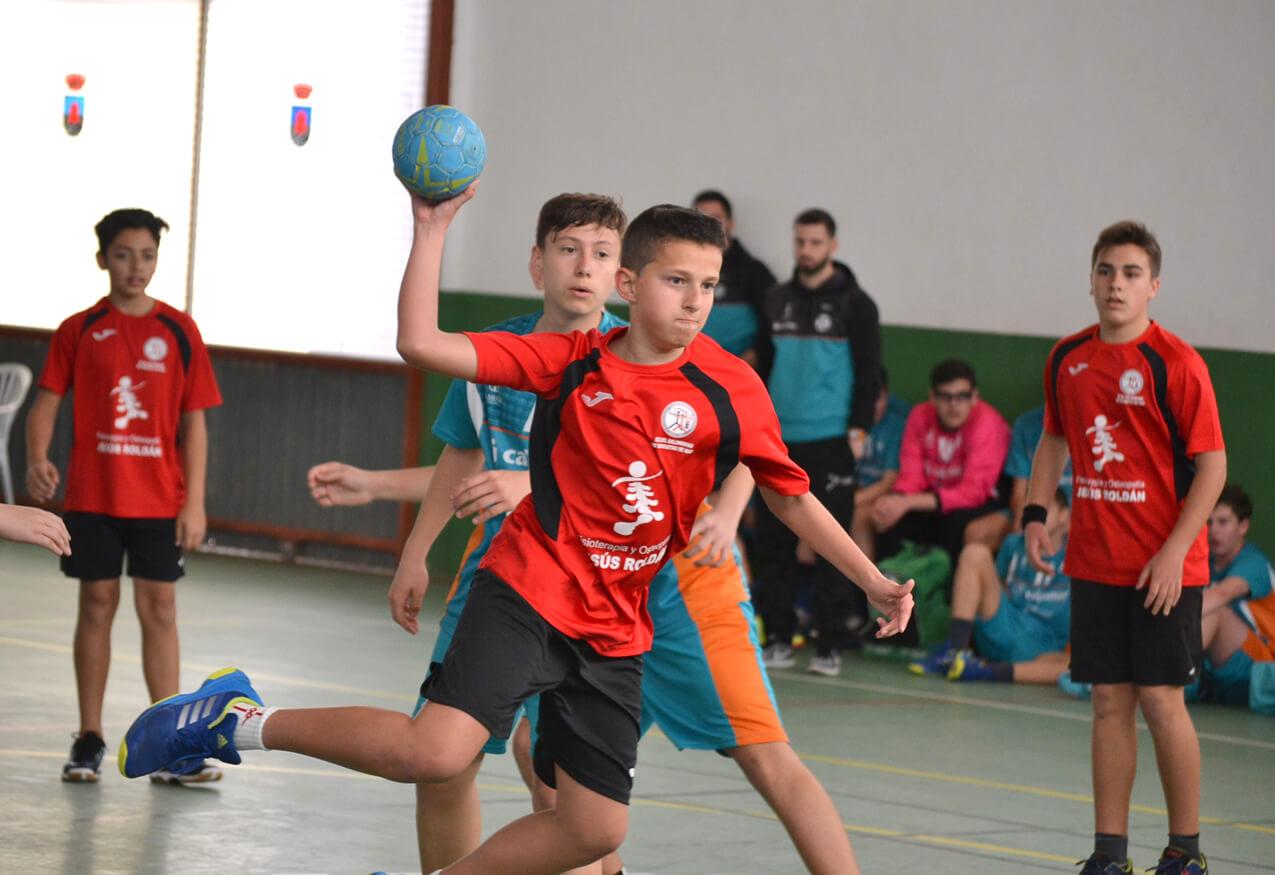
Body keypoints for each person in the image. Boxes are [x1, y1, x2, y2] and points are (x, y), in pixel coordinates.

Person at [118, 194, 913, 875]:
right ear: (629, 285)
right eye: (677, 281)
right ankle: (236, 718)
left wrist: (869, 579)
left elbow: (788, 497)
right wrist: (431, 229)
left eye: (708, 285)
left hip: (617, 622)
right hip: (531, 590)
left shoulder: (729, 383)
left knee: (594, 827)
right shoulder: (568, 359)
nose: (695, 301)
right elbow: (421, 344)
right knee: (434, 752)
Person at [1024, 221, 1225, 875]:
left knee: (1162, 701)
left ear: (1153, 286)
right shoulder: (1067, 358)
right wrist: (1036, 513)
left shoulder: (1176, 363)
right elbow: (1054, 439)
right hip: (1095, 560)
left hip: (1164, 567)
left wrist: (1174, 553)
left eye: (1131, 273)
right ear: (1091, 279)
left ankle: (1185, 851)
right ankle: (1108, 853)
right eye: (1106, 271)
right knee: (1108, 702)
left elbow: (1213, 467)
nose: (1116, 284)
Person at [25, 208, 223, 784]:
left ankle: (170, 743)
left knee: (160, 610)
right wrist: (37, 458)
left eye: (147, 255)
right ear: (102, 259)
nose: (136, 266)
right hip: (94, 498)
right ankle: (88, 737)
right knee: (96, 604)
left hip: (160, 500)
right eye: (123, 255)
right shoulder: (79, 329)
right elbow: (46, 402)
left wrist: (194, 501)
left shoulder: (180, 331)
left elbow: (195, 423)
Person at [753, 208, 883, 676]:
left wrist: (858, 429)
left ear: (833, 245)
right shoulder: (775, 299)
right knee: (773, 542)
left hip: (831, 440)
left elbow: (869, 373)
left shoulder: (857, 304)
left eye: (815, 242)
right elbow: (763, 366)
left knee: (832, 542)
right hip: (777, 438)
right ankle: (779, 637)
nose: (806, 250)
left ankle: (830, 643)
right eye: (800, 241)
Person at [909, 488, 1071, 683]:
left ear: (1064, 515)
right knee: (975, 552)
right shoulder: (1013, 544)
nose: (1034, 515)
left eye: (1044, 509)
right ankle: (954, 651)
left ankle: (984, 671)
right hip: (1005, 626)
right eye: (1030, 508)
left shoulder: (1077, 557)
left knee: (1076, 667)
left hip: (1042, 648)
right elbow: (998, 586)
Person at [873, 359, 1011, 563]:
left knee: (955, 527)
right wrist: (895, 502)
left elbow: (973, 492)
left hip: (980, 501)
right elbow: (911, 477)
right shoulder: (920, 416)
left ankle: (942, 584)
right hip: (933, 497)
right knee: (887, 519)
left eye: (962, 396)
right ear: (932, 397)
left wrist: (907, 502)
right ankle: (888, 581)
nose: (953, 405)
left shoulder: (987, 423)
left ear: (975, 397)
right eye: (945, 396)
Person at [1197, 484, 1274, 707]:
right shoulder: (1203, 563)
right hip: (1217, 671)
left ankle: (1163, 677)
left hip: (1262, 664)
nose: (1214, 530)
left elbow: (1222, 594)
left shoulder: (1254, 563)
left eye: (1223, 522)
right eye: (1209, 522)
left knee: (1216, 613)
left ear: (1243, 526)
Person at [690, 189, 776, 368]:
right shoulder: (681, 270)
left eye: (716, 218)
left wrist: (744, 364)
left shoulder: (755, 272)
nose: (708, 225)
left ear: (730, 223)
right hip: (689, 370)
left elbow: (772, 328)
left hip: (739, 372)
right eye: (701, 218)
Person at [850, 369, 911, 562]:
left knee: (857, 516)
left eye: (879, 398)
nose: (873, 406)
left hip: (885, 495)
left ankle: (864, 582)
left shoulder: (897, 423)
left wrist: (849, 500)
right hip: (854, 489)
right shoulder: (846, 419)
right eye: (866, 400)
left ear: (887, 394)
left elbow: (889, 482)